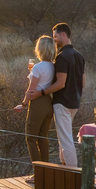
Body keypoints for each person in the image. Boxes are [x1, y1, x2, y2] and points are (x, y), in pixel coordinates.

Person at [39, 22, 85, 168]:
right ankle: (65, 167)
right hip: (74, 102)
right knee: (64, 137)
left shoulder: (62, 57)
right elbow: (82, 83)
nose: (54, 40)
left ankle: (72, 172)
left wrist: (41, 92)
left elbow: (60, 83)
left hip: (62, 102)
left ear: (63, 35)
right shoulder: (79, 55)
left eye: (55, 36)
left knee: (65, 139)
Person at [12, 35, 57, 170]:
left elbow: (31, 90)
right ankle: (45, 170)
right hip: (48, 102)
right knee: (43, 137)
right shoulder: (53, 66)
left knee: (31, 138)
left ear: (40, 49)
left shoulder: (38, 67)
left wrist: (23, 104)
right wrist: (32, 72)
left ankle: (38, 171)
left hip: (37, 103)